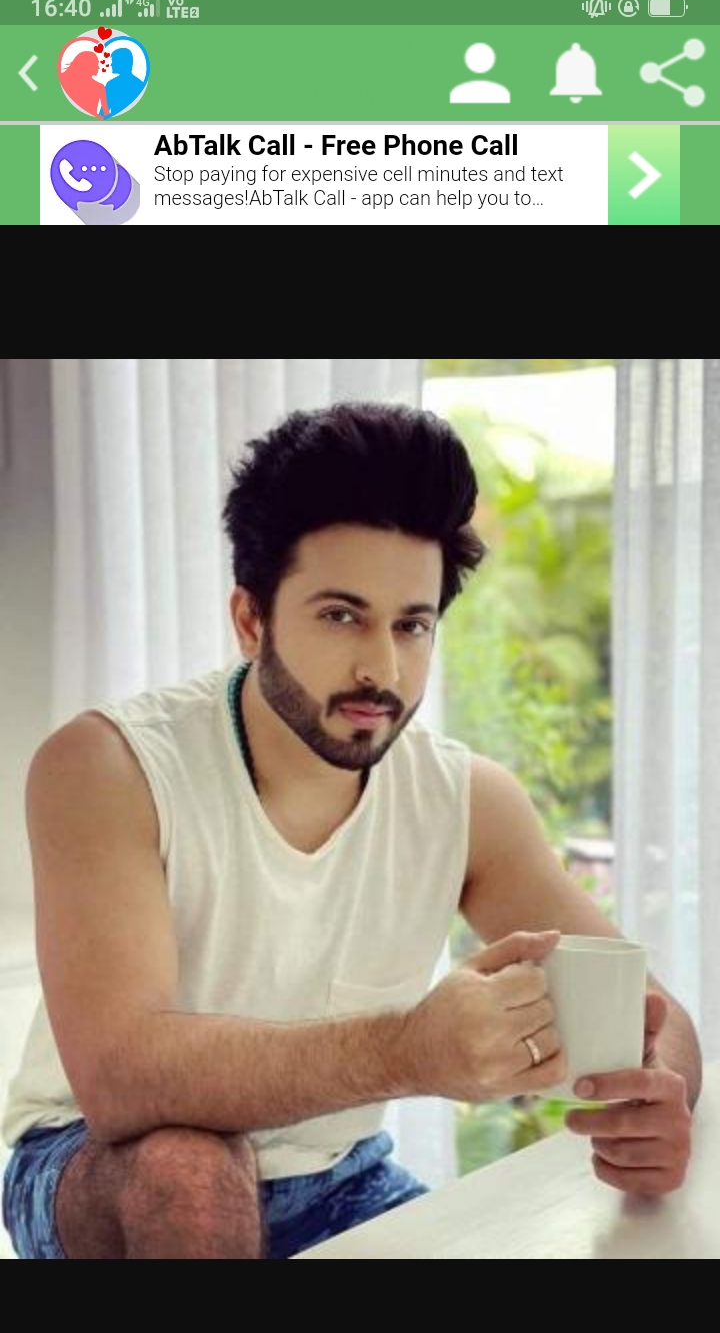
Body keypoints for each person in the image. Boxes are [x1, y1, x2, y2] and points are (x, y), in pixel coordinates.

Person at [1, 403, 700, 1260]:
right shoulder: (107, 767)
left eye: (411, 625)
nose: (383, 668)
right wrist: (410, 1051)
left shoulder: (466, 799)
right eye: (341, 616)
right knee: (187, 1168)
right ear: (251, 618)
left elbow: (655, 1014)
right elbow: (122, 1078)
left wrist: (658, 1094)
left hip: (339, 1175)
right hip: (96, 1163)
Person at [61, 49, 109, 118]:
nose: (98, 67)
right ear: (87, 66)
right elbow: (106, 114)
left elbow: (106, 113)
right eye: (96, 64)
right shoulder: (99, 87)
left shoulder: (100, 87)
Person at [103, 46, 145, 117]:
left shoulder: (112, 85)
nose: (111, 64)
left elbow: (103, 112)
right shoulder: (139, 84)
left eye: (114, 61)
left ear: (122, 63)